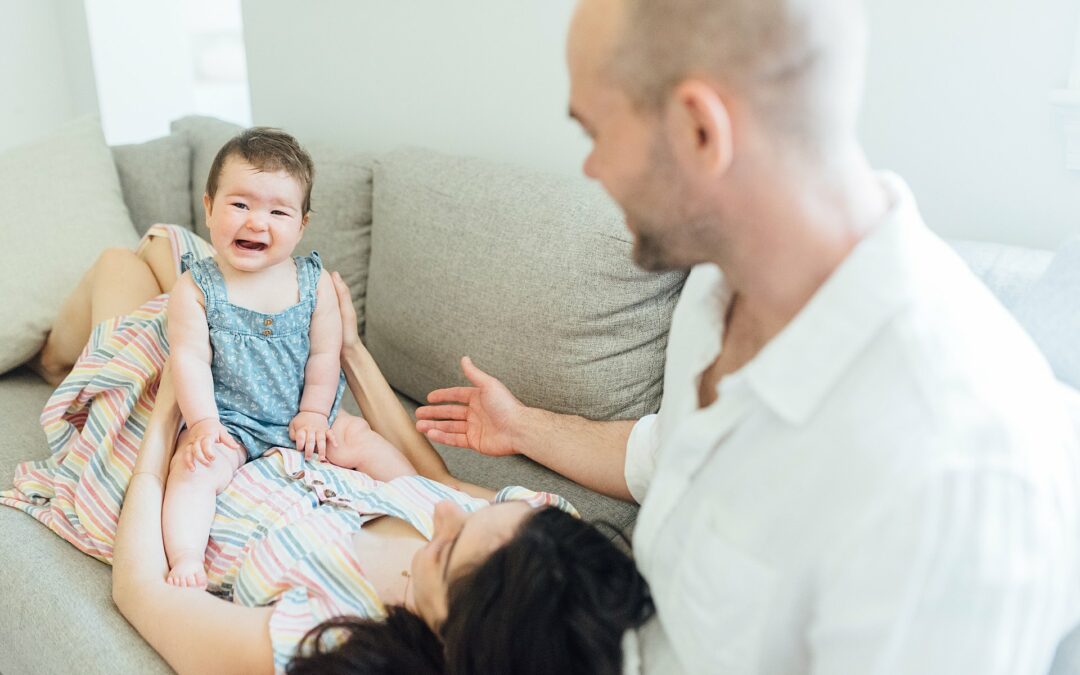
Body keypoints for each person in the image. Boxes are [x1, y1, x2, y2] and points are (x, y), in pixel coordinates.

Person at [415, 0, 1080, 672]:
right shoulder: (717, 283)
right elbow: (672, 456)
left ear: (700, 130)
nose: (592, 169)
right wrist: (523, 426)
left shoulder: (951, 471)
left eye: (596, 133)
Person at [28, 229, 654, 674]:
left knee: (122, 265)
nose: (442, 513)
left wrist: (169, 410)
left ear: (452, 631)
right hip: (261, 423)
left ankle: (56, 361)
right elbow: (435, 480)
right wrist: (350, 349)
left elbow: (142, 592)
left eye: (449, 548)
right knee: (166, 251)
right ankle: (72, 350)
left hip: (172, 465)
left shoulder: (324, 643)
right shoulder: (546, 545)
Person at [162, 127, 412, 588]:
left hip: (306, 417)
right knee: (191, 469)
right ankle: (186, 557)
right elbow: (190, 361)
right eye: (240, 204)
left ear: (301, 225)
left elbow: (324, 354)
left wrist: (315, 413)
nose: (257, 222)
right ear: (209, 207)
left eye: (278, 211)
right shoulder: (196, 289)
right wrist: (202, 424)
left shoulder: (313, 284)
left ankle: (426, 504)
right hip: (232, 421)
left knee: (365, 442)